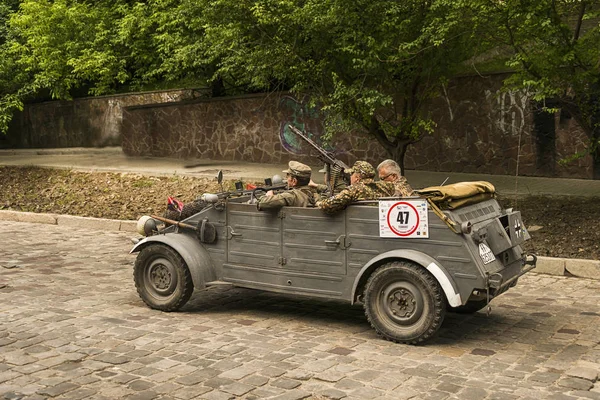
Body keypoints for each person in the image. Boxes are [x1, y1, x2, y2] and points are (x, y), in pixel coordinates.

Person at [317, 160, 394, 214]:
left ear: (357, 177)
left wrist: (318, 203)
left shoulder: (355, 189)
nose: (350, 177)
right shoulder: (384, 186)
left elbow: (329, 205)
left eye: (352, 174)